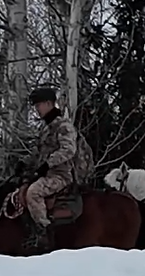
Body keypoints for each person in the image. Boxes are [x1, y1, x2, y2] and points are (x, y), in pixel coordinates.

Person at [19, 86, 94, 227]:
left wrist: (48, 164)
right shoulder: (45, 129)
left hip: (61, 176)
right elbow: (38, 153)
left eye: (38, 105)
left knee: (33, 193)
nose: (36, 109)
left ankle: (43, 230)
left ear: (49, 103)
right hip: (47, 175)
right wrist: (25, 165)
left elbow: (68, 150)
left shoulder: (64, 126)